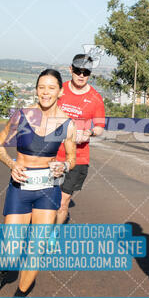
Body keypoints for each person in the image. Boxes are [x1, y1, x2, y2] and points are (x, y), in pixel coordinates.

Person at [0, 69, 76, 297]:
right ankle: (0, 271)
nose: (45, 92)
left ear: (60, 92)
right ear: (36, 90)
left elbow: (72, 158)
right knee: (13, 251)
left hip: (48, 189)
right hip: (20, 188)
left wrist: (63, 166)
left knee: (37, 250)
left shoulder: (67, 123)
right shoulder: (21, 116)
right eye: (41, 87)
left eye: (51, 88)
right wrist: (11, 164)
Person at [56, 53, 105, 224]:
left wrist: (88, 133)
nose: (82, 75)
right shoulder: (59, 90)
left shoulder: (95, 98)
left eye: (86, 72)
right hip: (52, 153)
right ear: (71, 69)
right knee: (45, 200)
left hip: (78, 158)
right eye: (78, 71)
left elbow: (99, 128)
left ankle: (52, 236)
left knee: (63, 201)